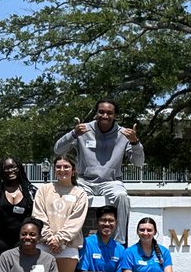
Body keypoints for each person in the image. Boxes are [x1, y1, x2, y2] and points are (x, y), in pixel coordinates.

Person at [54, 98, 144, 244]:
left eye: (109, 113)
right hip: (84, 181)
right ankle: (70, 240)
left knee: (122, 197)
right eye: (101, 112)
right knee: (72, 199)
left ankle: (119, 242)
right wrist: (73, 134)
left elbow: (139, 162)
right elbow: (58, 149)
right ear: (96, 113)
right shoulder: (83, 130)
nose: (105, 116)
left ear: (115, 115)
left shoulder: (124, 134)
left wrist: (135, 142)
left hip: (111, 182)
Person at [32, 155, 89, 272]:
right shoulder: (44, 190)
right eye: (59, 167)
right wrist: (50, 238)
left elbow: (76, 221)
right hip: (45, 245)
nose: (62, 170)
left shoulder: (79, 194)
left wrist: (61, 240)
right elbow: (39, 215)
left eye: (66, 167)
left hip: (68, 246)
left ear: (73, 170)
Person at [0, 155, 38, 264]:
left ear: (20, 168)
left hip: (22, 238)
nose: (10, 170)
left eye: (13, 167)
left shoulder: (32, 191)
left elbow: (38, 217)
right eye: (6, 168)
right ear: (1, 171)